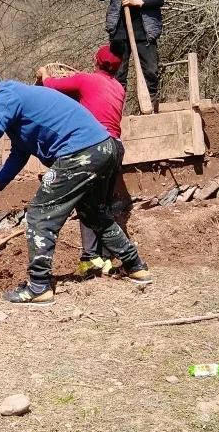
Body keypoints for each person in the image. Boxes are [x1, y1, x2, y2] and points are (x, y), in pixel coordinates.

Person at [0, 66, 150, 305]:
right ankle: (135, 266)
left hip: (81, 152)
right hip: (102, 148)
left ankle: (39, 286)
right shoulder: (15, 101)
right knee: (94, 213)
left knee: (39, 214)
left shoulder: (8, 96)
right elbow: (20, 152)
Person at [36, 46, 148, 284]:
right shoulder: (119, 88)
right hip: (115, 148)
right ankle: (105, 257)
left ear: (95, 61)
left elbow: (50, 87)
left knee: (87, 203)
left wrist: (44, 73)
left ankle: (90, 257)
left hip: (92, 146)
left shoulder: (86, 79)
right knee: (103, 203)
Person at [98, 0, 165, 111]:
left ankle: (152, 112)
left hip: (145, 30)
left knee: (151, 72)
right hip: (120, 30)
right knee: (118, 76)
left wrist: (136, 2)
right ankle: (117, 115)